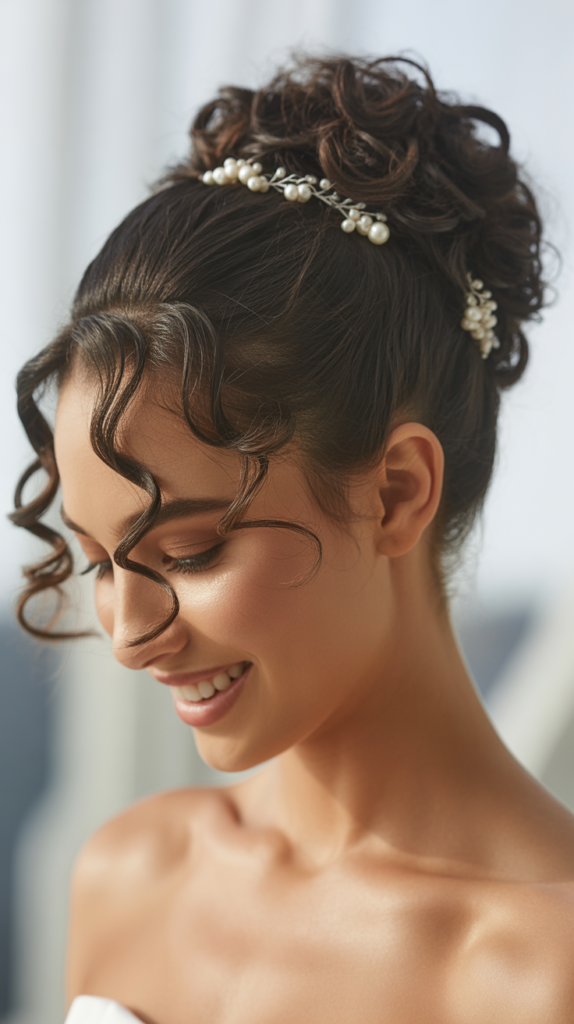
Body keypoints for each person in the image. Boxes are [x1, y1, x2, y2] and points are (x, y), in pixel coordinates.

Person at [12, 55, 574, 1024]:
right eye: (104, 562)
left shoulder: (540, 972)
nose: (129, 632)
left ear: (396, 491)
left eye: (189, 552)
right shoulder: (128, 872)